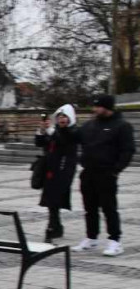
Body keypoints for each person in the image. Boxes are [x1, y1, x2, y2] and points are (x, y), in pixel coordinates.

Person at [71, 95, 135, 256]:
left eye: (97, 106)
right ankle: (91, 237)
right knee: (89, 208)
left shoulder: (122, 126)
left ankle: (115, 240)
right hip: (88, 173)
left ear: (107, 107)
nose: (94, 109)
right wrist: (62, 128)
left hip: (106, 174)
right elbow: (73, 138)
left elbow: (128, 150)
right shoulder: (89, 125)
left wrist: (116, 170)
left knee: (109, 208)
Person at [36, 104, 79, 242]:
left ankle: (52, 228)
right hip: (50, 170)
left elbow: (62, 142)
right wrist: (41, 130)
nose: (62, 119)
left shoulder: (72, 131)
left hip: (63, 170)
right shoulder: (55, 131)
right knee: (51, 201)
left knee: (55, 199)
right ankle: (56, 226)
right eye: (60, 116)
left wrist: (49, 130)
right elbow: (40, 143)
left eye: (65, 117)